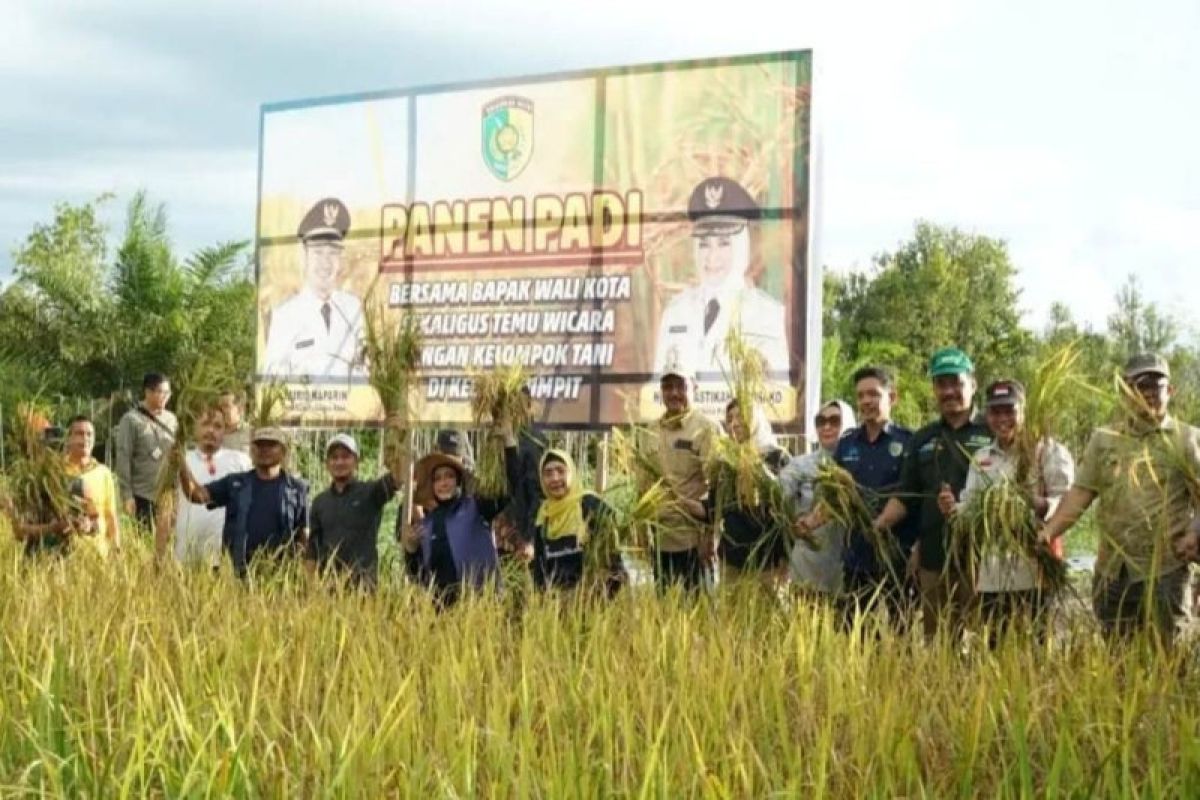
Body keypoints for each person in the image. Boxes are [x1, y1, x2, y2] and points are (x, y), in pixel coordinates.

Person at [1041, 353, 1200, 646]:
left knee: (1167, 657)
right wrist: (1049, 530)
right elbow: (1081, 493)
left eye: (1156, 385)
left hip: (1166, 570)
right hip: (1112, 572)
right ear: (1125, 392)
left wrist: (1194, 532)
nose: (1148, 393)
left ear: (1171, 391)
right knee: (1117, 655)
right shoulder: (1104, 440)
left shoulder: (1187, 440)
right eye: (1139, 385)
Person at [939, 380, 1073, 643]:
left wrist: (1040, 504)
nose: (1002, 419)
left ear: (1023, 411)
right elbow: (970, 507)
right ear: (987, 415)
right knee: (996, 649)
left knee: (1039, 649)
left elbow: (1070, 503)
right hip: (993, 576)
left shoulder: (1046, 451)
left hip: (1038, 571)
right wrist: (952, 509)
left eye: (1009, 411)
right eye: (995, 412)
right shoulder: (981, 457)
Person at [872, 348, 993, 640]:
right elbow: (906, 495)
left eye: (956, 382)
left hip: (984, 560)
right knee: (937, 642)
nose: (949, 391)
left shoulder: (993, 430)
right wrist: (878, 525)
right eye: (941, 384)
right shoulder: (923, 438)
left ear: (972, 384)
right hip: (933, 559)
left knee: (981, 643)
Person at [651, 177, 789, 381]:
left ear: (742, 246)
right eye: (704, 244)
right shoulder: (675, 312)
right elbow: (657, 392)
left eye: (724, 244)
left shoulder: (766, 315)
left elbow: (777, 399)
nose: (712, 257)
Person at [819, 368, 915, 626]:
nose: (866, 401)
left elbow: (909, 494)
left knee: (899, 633)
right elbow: (835, 495)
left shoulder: (909, 443)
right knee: (854, 633)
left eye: (874, 394)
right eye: (861, 396)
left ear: (892, 397)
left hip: (896, 557)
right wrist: (811, 520)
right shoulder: (847, 443)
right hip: (856, 556)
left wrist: (882, 522)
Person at [401, 421, 519, 608]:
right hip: (442, 618)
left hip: (482, 610)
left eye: (449, 476)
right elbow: (418, 577)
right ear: (431, 486)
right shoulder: (426, 525)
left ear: (459, 482)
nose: (444, 483)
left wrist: (509, 442)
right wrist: (411, 550)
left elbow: (512, 488)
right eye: (438, 479)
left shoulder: (477, 507)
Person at [178, 426, 309, 579]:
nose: (264, 450)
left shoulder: (296, 489)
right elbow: (197, 495)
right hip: (238, 575)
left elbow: (303, 535)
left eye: (271, 445)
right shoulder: (235, 483)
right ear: (252, 450)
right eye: (259, 445)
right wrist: (180, 464)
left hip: (280, 578)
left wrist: (301, 576)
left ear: (283, 451)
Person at [263, 197, 365, 379]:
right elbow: (272, 379)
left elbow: (366, 370)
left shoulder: (353, 308)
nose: (325, 263)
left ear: (340, 257)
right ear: (305, 255)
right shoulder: (285, 316)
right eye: (318, 252)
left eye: (333, 253)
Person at [647, 355, 720, 590]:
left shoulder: (706, 429)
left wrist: (713, 536)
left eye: (681, 386)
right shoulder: (650, 431)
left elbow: (719, 488)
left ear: (694, 387)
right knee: (664, 615)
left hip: (695, 543)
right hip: (660, 542)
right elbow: (643, 486)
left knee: (696, 618)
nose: (674, 393)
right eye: (668, 386)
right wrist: (641, 531)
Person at [710, 400, 792, 589]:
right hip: (732, 561)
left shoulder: (777, 458)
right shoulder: (725, 463)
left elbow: (788, 513)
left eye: (741, 417)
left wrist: (786, 557)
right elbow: (714, 509)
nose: (735, 423)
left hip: (768, 563)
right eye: (730, 418)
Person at [306, 433, 403, 590]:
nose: (339, 462)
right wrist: (310, 585)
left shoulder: (371, 493)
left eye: (345, 457)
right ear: (327, 464)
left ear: (356, 461)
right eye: (334, 457)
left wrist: (395, 449)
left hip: (364, 587)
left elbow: (399, 477)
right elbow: (312, 547)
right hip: (328, 588)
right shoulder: (320, 502)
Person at [158, 407, 252, 567]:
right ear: (195, 427)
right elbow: (166, 510)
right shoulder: (180, 459)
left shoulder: (240, 461)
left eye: (217, 426)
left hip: (225, 561)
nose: (211, 431)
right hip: (186, 558)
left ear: (226, 430)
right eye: (205, 424)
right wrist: (159, 554)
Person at [784, 399, 856, 598]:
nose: (826, 427)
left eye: (835, 421)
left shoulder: (858, 465)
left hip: (847, 571)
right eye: (820, 421)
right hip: (808, 568)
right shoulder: (801, 465)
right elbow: (781, 492)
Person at [530, 448, 626, 594]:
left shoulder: (589, 504)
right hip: (556, 605)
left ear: (572, 473)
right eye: (548, 473)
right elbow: (540, 568)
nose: (555, 478)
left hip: (593, 599)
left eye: (560, 471)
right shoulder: (544, 516)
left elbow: (612, 556)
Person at [114, 372, 178, 528]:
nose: (165, 397)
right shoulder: (131, 420)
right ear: (148, 392)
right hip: (143, 495)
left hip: (168, 495)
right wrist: (127, 495)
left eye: (167, 393)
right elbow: (123, 457)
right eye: (161, 392)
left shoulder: (172, 419)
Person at [62, 415, 122, 558]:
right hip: (64, 554)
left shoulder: (103, 473)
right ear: (68, 438)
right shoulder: (56, 471)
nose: (85, 439)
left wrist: (116, 550)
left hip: (97, 554)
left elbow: (110, 516)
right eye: (79, 434)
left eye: (89, 434)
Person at [218, 390, 251, 456]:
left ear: (240, 409)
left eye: (226, 406)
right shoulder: (215, 434)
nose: (221, 410)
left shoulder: (251, 434)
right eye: (220, 407)